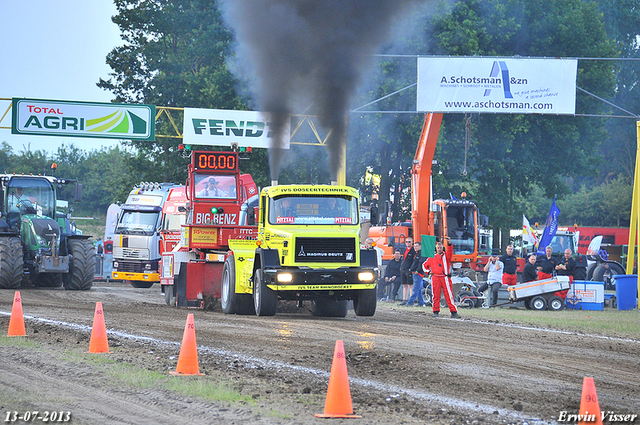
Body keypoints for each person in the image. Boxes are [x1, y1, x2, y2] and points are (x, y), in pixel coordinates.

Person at [422, 237, 461, 318]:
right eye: (438, 248)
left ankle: (453, 312)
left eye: (440, 248)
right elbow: (424, 265)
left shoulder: (446, 256)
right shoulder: (431, 257)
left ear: (442, 248)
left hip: (445, 277)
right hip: (435, 278)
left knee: (449, 295)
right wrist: (428, 272)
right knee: (435, 295)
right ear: (436, 248)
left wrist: (449, 243)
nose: (439, 249)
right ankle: (435, 311)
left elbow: (450, 252)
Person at [401, 241, 426, 306]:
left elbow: (421, 263)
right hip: (415, 272)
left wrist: (417, 270)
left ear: (420, 246)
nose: (415, 247)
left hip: (418, 273)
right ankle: (420, 303)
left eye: (416, 246)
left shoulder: (421, 254)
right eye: (414, 246)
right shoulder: (417, 253)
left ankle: (410, 302)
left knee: (415, 289)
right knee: (419, 289)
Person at [393, 237, 415, 303]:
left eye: (409, 242)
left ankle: (411, 300)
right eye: (407, 242)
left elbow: (413, 260)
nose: (408, 243)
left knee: (411, 285)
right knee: (404, 285)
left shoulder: (413, 250)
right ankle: (404, 300)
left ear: (412, 243)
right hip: (403, 269)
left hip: (409, 269)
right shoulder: (405, 249)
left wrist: (411, 268)